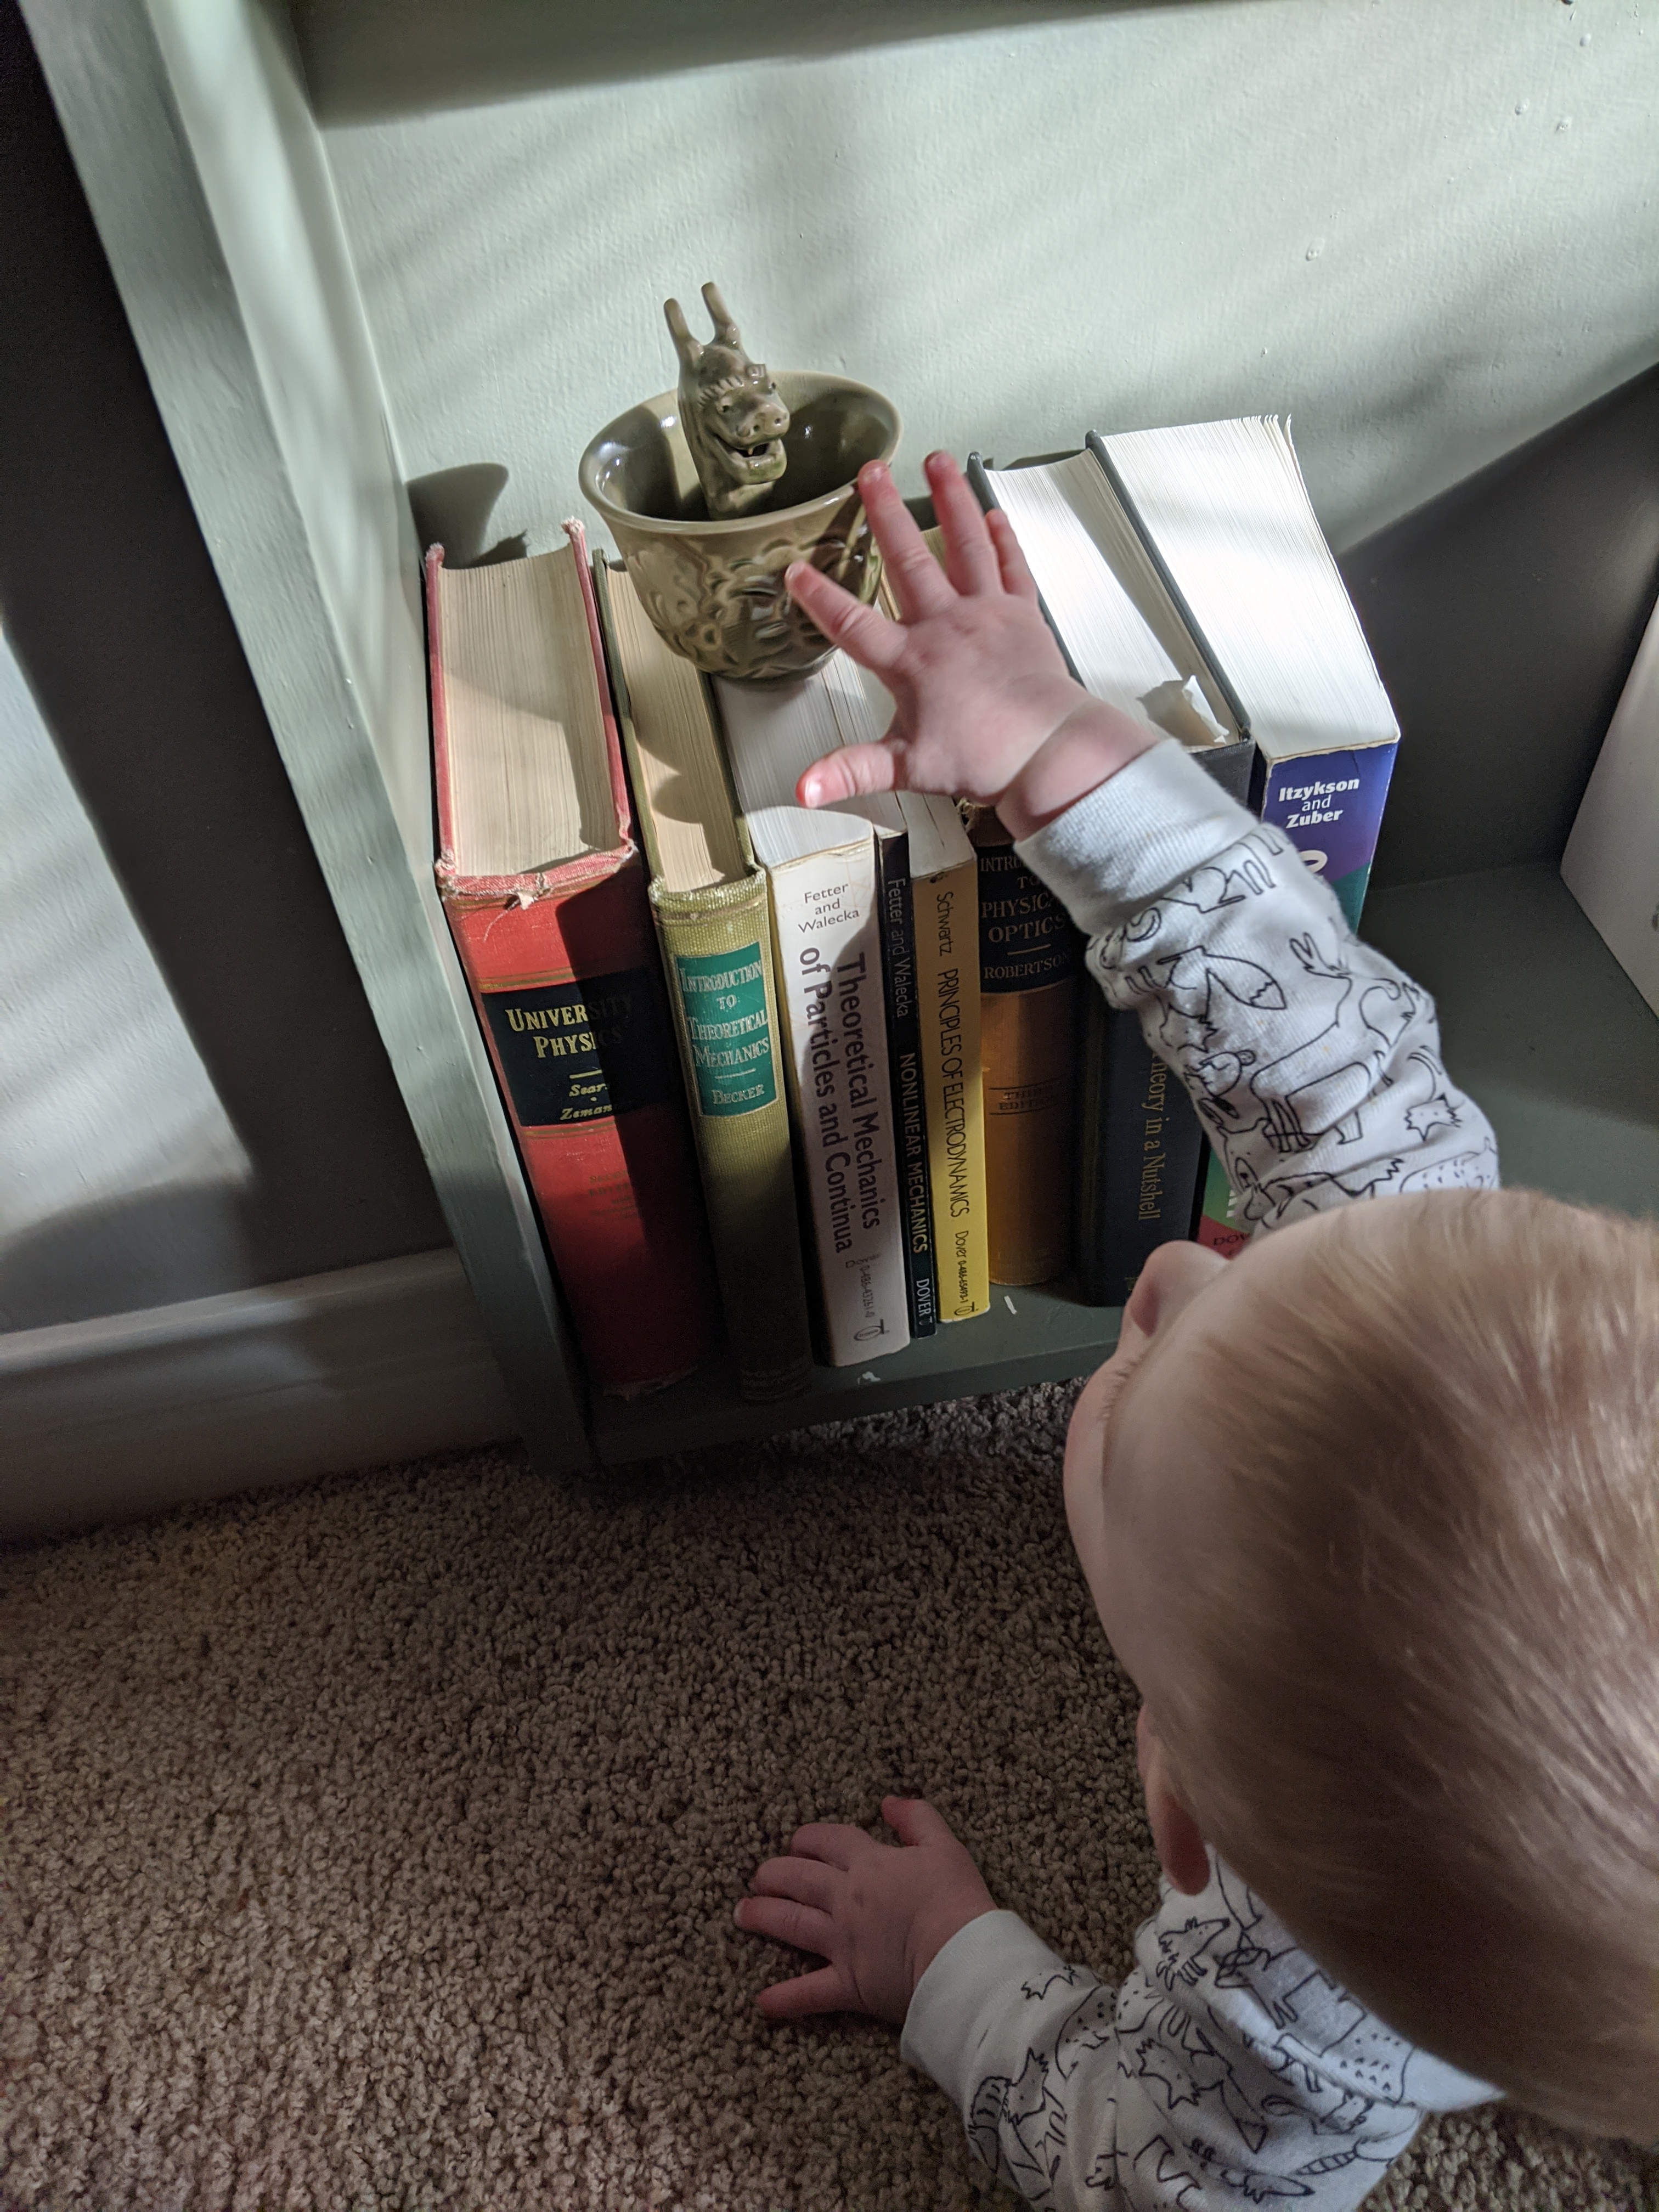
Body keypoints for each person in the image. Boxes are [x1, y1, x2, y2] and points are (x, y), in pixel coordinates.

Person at [731, 452, 1659, 2208]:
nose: (1168, 1281)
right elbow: (1284, 1002)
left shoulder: (1289, 2010)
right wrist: (1036, 736)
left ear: (1183, 1813)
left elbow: (1152, 2173)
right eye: (1257, 1280)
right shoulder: (1418, 1242)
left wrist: (952, 1968)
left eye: (1137, 1389)